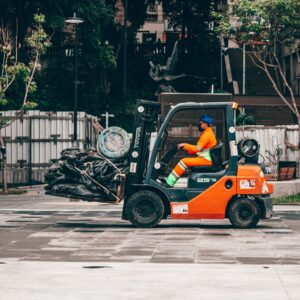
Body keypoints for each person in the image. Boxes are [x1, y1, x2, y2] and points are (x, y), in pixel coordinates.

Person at [165, 114, 217, 187]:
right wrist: (185, 146)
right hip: (206, 159)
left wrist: (185, 145)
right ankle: (169, 181)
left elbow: (197, 149)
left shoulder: (207, 135)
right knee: (186, 161)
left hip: (206, 160)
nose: (199, 124)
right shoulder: (208, 133)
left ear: (205, 124)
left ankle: (169, 183)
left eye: (200, 123)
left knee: (183, 162)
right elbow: (198, 149)